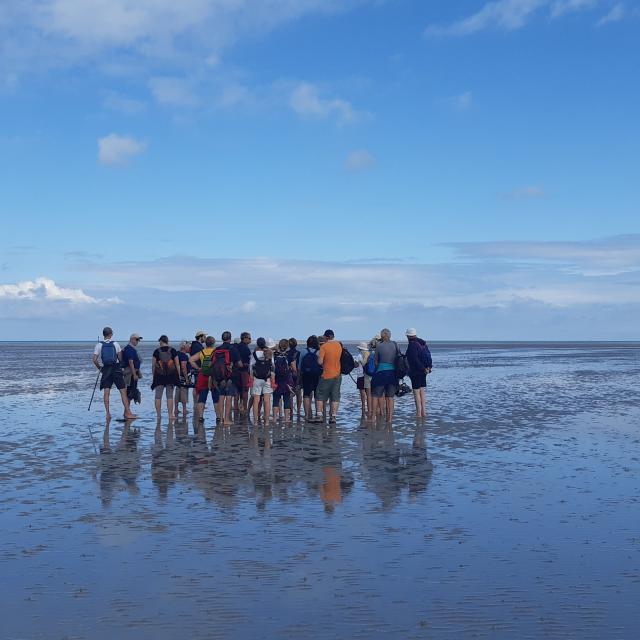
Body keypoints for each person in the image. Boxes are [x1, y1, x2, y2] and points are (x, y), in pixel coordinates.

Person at [92, 326, 137, 420]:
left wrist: (100, 368)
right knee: (123, 392)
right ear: (111, 334)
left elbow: (94, 360)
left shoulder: (98, 345)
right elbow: (120, 358)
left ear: (103, 334)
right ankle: (128, 413)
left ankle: (108, 414)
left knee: (106, 392)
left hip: (106, 369)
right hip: (116, 369)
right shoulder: (115, 344)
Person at [189, 336, 220, 424]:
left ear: (205, 343)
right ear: (213, 343)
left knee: (202, 397)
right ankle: (218, 417)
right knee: (215, 397)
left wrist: (198, 368)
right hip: (213, 376)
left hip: (203, 375)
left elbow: (191, 360)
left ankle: (201, 417)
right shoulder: (216, 352)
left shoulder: (201, 352)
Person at [314, 329, 342, 424]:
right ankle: (333, 417)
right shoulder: (338, 345)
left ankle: (319, 415)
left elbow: (320, 362)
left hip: (326, 374)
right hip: (338, 374)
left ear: (326, 337)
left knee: (320, 394)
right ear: (333, 336)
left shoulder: (324, 347)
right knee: (335, 396)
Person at [371, 328, 398, 422]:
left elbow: (375, 361)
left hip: (381, 373)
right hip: (392, 373)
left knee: (375, 395)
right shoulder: (395, 344)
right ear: (390, 335)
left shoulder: (379, 346)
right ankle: (389, 419)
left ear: (382, 336)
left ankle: (373, 417)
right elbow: (398, 357)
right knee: (390, 397)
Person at [214, 331, 241, 425]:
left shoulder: (217, 349)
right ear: (230, 338)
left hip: (219, 377)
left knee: (221, 397)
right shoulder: (233, 349)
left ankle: (220, 419)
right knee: (229, 397)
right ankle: (226, 419)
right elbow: (239, 363)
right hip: (230, 377)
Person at [151, 335, 180, 421]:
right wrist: (178, 376)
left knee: (158, 397)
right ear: (167, 341)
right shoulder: (173, 350)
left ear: (160, 341)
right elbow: (177, 364)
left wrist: (154, 376)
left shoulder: (156, 351)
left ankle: (158, 415)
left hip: (159, 376)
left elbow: (153, 365)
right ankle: (170, 415)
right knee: (170, 396)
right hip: (171, 376)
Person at [405, 328, 432, 418]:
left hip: (416, 371)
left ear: (408, 336)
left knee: (416, 392)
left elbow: (414, 359)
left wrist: (422, 368)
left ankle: (419, 413)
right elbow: (428, 355)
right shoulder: (423, 343)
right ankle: (424, 411)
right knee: (422, 391)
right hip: (424, 371)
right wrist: (428, 367)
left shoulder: (412, 345)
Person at [251, 338, 275, 426]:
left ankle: (256, 421)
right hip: (267, 379)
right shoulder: (269, 353)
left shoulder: (254, 354)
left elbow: (251, 367)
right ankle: (267, 422)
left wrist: (251, 379)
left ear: (257, 344)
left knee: (256, 401)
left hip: (257, 379)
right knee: (267, 401)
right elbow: (272, 367)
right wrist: (273, 380)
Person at [298, 335, 322, 421]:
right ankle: (318, 413)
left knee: (306, 394)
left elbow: (300, 366)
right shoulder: (319, 352)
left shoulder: (303, 351)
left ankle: (307, 415)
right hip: (317, 375)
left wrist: (299, 378)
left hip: (306, 375)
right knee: (317, 395)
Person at [272, 339, 294, 423]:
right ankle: (286, 419)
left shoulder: (274, 354)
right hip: (286, 379)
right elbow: (293, 366)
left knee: (276, 399)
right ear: (287, 346)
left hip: (276, 378)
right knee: (286, 398)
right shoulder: (289, 355)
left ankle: (274, 418)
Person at [235, 331, 253, 419]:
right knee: (245, 391)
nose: (250, 340)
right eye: (249, 338)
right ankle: (244, 409)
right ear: (244, 338)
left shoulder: (236, 347)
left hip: (235, 372)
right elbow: (249, 361)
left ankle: (236, 408)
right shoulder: (245, 348)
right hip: (244, 372)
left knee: (237, 391)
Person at [122, 333, 143, 406]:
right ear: (131, 339)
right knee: (130, 392)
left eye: (139, 340)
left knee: (131, 391)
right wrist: (134, 374)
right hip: (131, 374)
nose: (138, 341)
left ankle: (128, 411)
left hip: (133, 372)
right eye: (137, 339)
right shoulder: (129, 349)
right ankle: (127, 411)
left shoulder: (131, 348)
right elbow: (130, 362)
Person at [175, 341, 192, 419]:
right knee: (184, 392)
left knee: (177, 391)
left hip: (176, 376)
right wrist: (186, 378)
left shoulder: (176, 353)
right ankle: (184, 409)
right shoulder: (184, 356)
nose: (189, 347)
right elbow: (183, 367)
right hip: (183, 377)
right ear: (184, 347)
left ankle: (176, 409)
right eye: (188, 346)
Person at [189, 330, 207, 404]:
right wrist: (198, 368)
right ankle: (197, 403)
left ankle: (196, 403)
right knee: (198, 387)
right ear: (200, 337)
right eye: (204, 336)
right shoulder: (197, 346)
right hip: (197, 368)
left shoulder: (194, 345)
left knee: (196, 387)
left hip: (194, 368)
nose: (205, 338)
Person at [354, 342, 370, 418]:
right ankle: (370, 407)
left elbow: (356, 365)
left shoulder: (359, 355)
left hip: (361, 375)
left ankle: (363, 406)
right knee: (369, 392)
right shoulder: (369, 354)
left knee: (362, 392)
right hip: (368, 375)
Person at [287, 338, 302, 420]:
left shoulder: (287, 353)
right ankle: (299, 411)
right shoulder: (299, 353)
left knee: (290, 394)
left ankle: (291, 411)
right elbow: (300, 365)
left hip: (289, 374)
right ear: (296, 344)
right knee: (298, 393)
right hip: (297, 373)